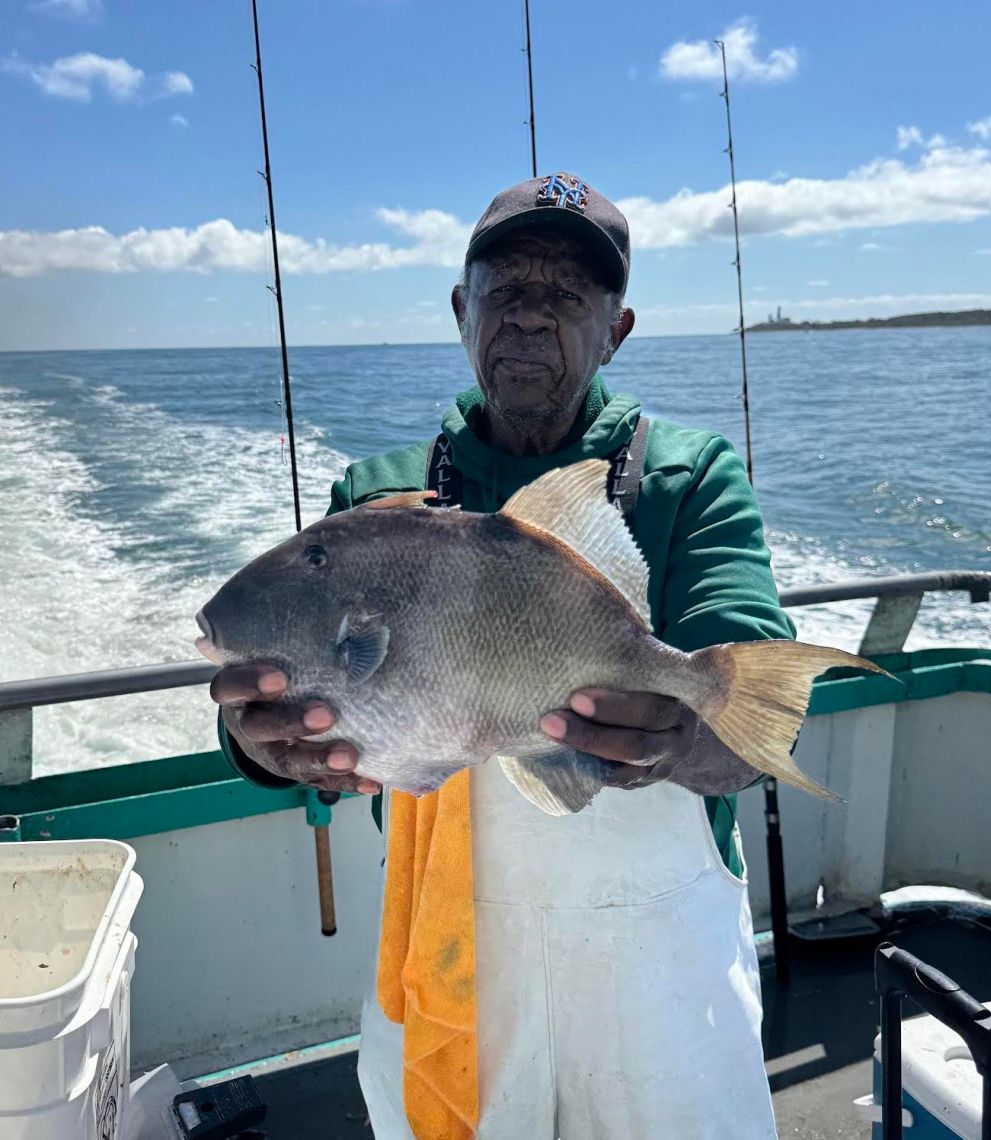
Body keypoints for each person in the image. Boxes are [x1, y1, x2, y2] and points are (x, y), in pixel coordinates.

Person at [210, 172, 794, 1139]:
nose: (529, 317)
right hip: (448, 947)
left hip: (656, 958)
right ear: (460, 310)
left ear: (617, 328)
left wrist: (676, 738)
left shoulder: (690, 477)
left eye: (566, 296)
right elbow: (294, 695)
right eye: (505, 289)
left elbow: (756, 714)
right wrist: (258, 742)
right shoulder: (378, 497)